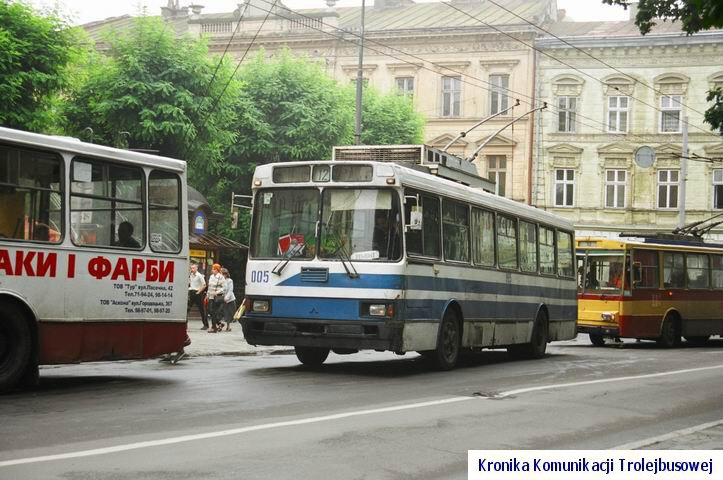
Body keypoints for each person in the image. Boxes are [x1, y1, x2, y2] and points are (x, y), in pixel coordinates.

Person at [206, 263, 225, 332]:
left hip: (217, 297)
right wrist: (207, 295)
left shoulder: (221, 277)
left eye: (213, 269)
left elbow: (224, 288)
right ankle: (219, 323)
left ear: (217, 270)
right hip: (210, 296)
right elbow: (209, 286)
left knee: (213, 311)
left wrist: (217, 292)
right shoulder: (211, 276)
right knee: (210, 311)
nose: (212, 270)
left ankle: (214, 327)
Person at [188, 263, 208, 329]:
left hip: (197, 293)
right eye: (191, 268)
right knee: (188, 308)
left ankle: (205, 325)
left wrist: (199, 292)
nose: (192, 269)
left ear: (196, 268)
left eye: (193, 268)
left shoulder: (199, 275)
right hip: (191, 292)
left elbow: (204, 285)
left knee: (201, 309)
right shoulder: (190, 275)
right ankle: (185, 324)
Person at [221, 268, 236, 332]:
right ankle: (225, 326)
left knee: (231, 313)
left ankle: (228, 326)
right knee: (225, 313)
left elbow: (230, 290)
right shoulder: (220, 281)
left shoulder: (229, 280)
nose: (223, 276)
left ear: (226, 275)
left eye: (224, 274)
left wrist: (227, 297)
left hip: (230, 299)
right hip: (223, 298)